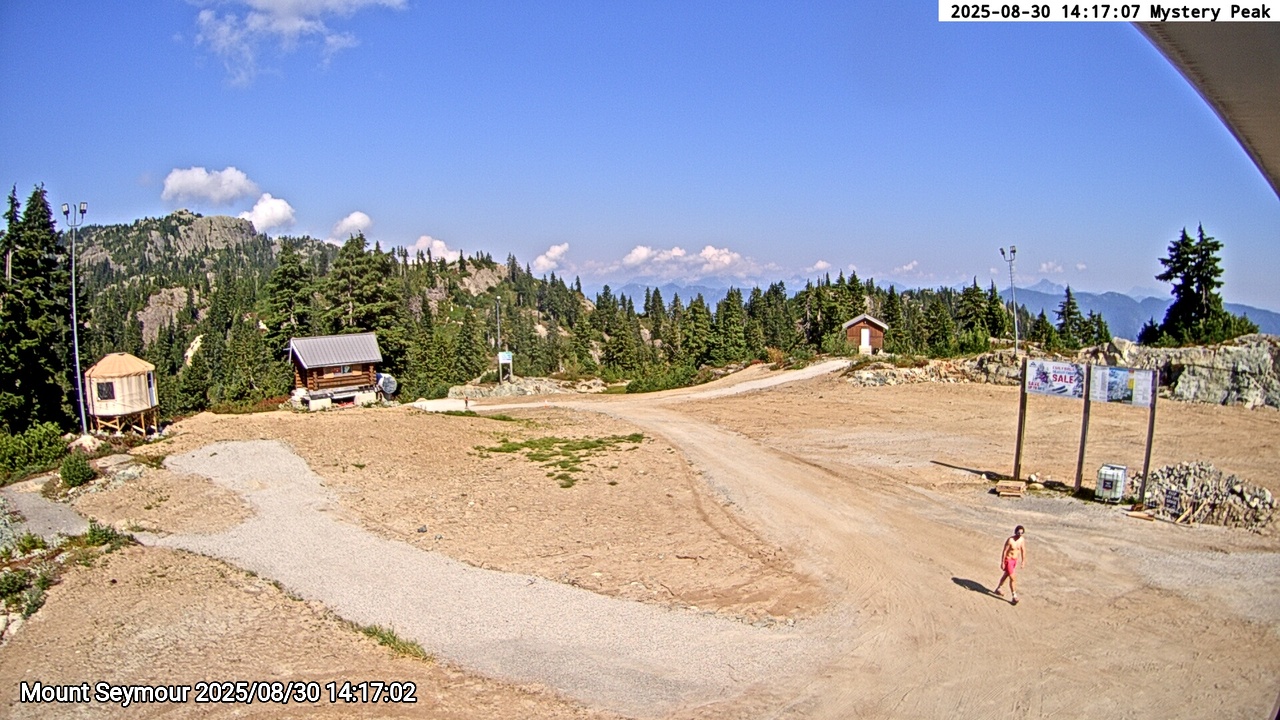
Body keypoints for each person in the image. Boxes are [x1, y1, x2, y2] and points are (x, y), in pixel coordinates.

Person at [994, 525, 1026, 605]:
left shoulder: (1022, 540)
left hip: (1014, 560)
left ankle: (998, 588)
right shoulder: (1010, 540)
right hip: (1008, 560)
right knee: (1013, 578)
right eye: (1018, 533)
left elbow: (1023, 550)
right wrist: (1002, 562)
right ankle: (1014, 596)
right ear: (1015, 532)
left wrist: (1023, 561)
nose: (1020, 535)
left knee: (1006, 575)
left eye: (1021, 533)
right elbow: (1005, 551)